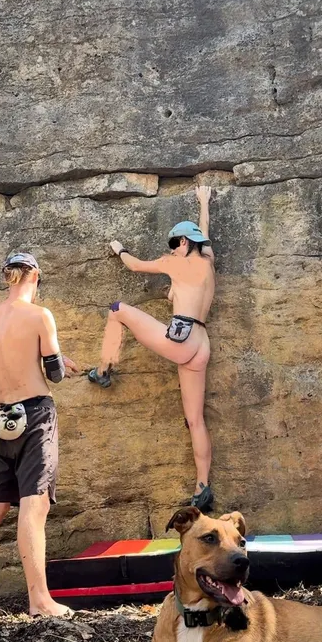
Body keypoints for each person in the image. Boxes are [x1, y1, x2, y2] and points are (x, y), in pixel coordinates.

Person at [88, 186, 216, 511]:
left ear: (183, 243)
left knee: (117, 309)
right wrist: (204, 201)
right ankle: (203, 487)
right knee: (195, 420)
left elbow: (134, 266)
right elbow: (205, 235)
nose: (172, 249)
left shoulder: (176, 263)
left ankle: (104, 370)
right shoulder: (208, 260)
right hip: (201, 344)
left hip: (182, 340)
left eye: (175, 244)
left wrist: (119, 248)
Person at [0, 251, 78, 616]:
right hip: (35, 416)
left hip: (3, 418)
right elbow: (54, 375)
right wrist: (59, 358)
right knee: (35, 505)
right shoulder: (39, 315)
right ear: (34, 276)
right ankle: (40, 601)